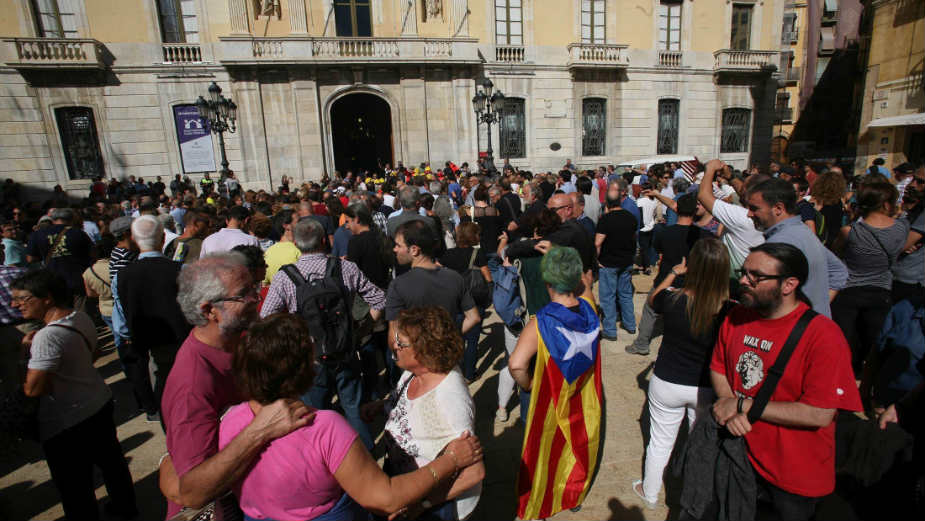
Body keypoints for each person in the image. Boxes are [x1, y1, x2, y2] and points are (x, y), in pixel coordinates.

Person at [710, 243, 862, 521]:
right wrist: (727, 402)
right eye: (743, 272)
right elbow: (719, 367)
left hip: (791, 478)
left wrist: (743, 405)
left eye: (755, 276)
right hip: (738, 459)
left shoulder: (824, 336)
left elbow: (820, 412)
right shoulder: (735, 317)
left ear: (789, 284)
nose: (743, 281)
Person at [159, 253, 312, 519]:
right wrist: (259, 430)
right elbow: (193, 492)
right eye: (244, 294)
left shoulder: (240, 339)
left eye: (254, 288)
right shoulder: (192, 383)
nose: (256, 299)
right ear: (209, 311)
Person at [12, 269, 137, 521]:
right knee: (112, 465)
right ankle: (125, 509)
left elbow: (34, 389)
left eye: (23, 299)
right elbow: (94, 354)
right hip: (97, 402)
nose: (16, 305)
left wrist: (24, 358)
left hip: (67, 421)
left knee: (75, 487)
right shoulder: (79, 317)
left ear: (46, 298)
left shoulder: (45, 338)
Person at [261, 217, 385, 450]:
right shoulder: (345, 268)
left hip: (310, 357)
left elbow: (266, 318)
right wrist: (360, 330)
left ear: (296, 244)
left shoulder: (285, 277)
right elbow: (379, 299)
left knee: (316, 413)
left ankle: (328, 457)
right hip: (345, 350)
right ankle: (366, 454)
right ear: (322, 241)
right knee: (353, 408)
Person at [361, 307, 486, 520]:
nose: (394, 347)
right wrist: (382, 406)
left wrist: (422, 505)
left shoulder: (451, 398)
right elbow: (409, 408)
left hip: (434, 504)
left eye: (401, 344)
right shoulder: (412, 373)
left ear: (424, 350)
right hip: (403, 481)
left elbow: (474, 473)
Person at [633, 238, 732, 508]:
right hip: (706, 386)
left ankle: (650, 491)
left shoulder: (674, 298)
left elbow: (652, 300)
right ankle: (695, 496)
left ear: (693, 266)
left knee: (660, 440)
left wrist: (674, 273)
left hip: (667, 381)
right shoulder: (728, 310)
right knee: (701, 444)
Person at [509, 246, 602, 519]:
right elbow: (585, 290)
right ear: (578, 279)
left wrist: (527, 385)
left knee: (544, 448)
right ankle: (573, 493)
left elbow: (516, 364)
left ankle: (544, 496)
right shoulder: (590, 308)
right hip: (583, 395)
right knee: (579, 442)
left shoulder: (541, 322)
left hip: (550, 397)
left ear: (546, 281)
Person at [831, 181, 908, 397]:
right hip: (881, 291)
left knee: (846, 342)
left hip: (849, 291)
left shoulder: (851, 231)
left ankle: (844, 386)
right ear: (887, 204)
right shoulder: (902, 229)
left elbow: (835, 253)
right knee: (872, 344)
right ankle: (864, 387)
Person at [116, 215, 191, 424]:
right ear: (161, 238)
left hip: (146, 344)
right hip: (180, 340)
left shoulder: (123, 276)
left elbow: (121, 320)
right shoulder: (179, 270)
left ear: (133, 238)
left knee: (161, 387)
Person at [745, 177, 848, 317]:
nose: (749, 214)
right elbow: (839, 271)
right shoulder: (803, 231)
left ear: (778, 208)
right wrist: (817, 307)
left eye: (754, 208)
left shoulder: (781, 241)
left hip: (794, 331)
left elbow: (766, 292)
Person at [627, 193, 712, 355]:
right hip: (691, 283)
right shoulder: (703, 235)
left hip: (665, 279)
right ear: (695, 210)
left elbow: (658, 250)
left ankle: (641, 344)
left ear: (676, 209)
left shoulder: (664, 232)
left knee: (650, 310)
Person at [387, 219, 480, 353]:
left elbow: (394, 337)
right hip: (449, 358)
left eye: (398, 245)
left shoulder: (397, 285)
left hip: (418, 361)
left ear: (414, 250)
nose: (394, 249)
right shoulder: (455, 277)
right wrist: (447, 338)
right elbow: (474, 317)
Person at [438, 222, 491, 381]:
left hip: (454, 301)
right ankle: (470, 373)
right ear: (473, 236)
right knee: (473, 341)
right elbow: (488, 277)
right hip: (474, 301)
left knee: (456, 337)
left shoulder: (448, 254)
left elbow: (436, 270)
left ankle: (457, 371)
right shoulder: (478, 253)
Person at [697, 160, 765, 278]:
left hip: (735, 281)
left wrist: (710, 169)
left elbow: (703, 196)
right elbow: (744, 194)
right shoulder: (766, 215)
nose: (740, 187)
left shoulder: (743, 217)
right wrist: (730, 176)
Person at [25, 207, 94, 308]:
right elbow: (93, 254)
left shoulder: (38, 234)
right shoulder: (78, 233)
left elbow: (30, 259)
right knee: (80, 313)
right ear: (72, 219)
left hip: (54, 281)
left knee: (61, 312)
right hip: (78, 281)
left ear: (52, 219)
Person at [596, 196, 638, 340]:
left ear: (607, 204)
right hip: (626, 262)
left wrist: (595, 260)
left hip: (608, 263)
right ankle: (630, 325)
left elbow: (598, 243)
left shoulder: (605, 220)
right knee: (625, 295)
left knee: (608, 297)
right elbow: (634, 239)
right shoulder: (631, 218)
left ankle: (610, 330)